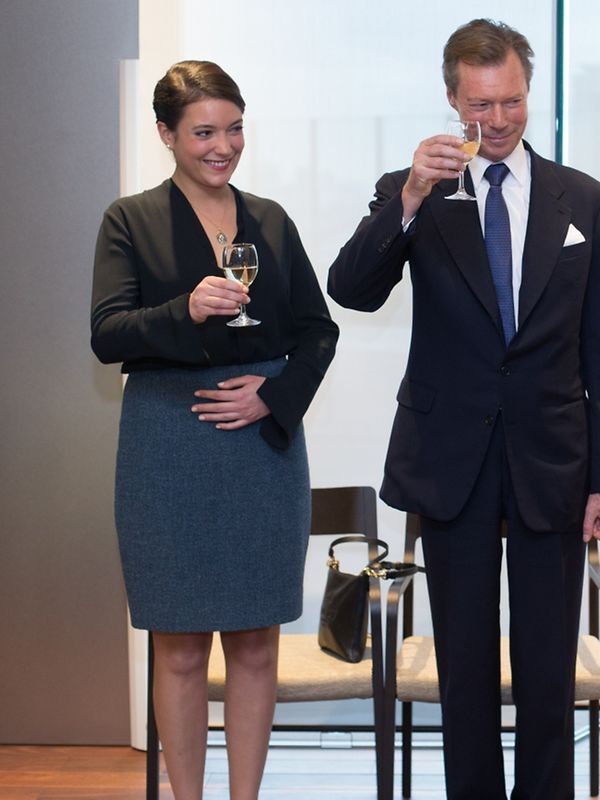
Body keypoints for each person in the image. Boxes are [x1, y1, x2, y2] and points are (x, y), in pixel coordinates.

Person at [327, 18, 600, 800]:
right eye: (478, 105)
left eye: (511, 102)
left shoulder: (585, 201)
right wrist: (409, 195)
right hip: (449, 459)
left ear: (528, 94)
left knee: (545, 671)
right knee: (462, 671)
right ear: (451, 98)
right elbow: (351, 290)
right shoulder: (416, 189)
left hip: (553, 461)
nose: (495, 121)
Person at [90, 61, 338, 800]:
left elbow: (317, 332)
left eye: (233, 129)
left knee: (258, 646)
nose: (221, 146)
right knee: (180, 649)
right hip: (167, 445)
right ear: (166, 134)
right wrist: (185, 309)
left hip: (261, 447)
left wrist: (275, 395)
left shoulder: (270, 218)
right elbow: (106, 335)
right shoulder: (129, 220)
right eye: (203, 132)